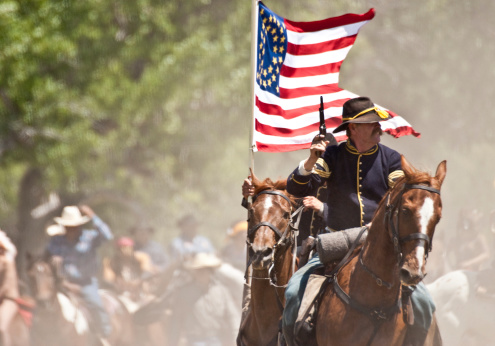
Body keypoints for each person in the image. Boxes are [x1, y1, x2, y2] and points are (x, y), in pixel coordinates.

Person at [281, 96, 432, 345]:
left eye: (377, 123)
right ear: (353, 128)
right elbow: (297, 189)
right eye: (371, 124)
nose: (378, 128)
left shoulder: (392, 159)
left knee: (425, 304)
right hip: (335, 245)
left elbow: (401, 195)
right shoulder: (332, 156)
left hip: (382, 247)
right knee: (294, 294)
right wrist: (310, 160)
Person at [46, 205, 113, 342]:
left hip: (85, 283)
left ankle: (105, 335)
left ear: (79, 226)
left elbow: (107, 235)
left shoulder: (89, 237)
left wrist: (93, 216)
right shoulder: (56, 241)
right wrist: (53, 261)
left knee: (95, 304)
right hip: (62, 283)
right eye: (68, 227)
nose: (71, 230)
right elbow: (46, 257)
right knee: (44, 304)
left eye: (74, 226)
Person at [165, 252, 239, 345]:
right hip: (195, 340)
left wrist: (236, 337)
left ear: (210, 271)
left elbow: (233, 316)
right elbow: (176, 320)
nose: (201, 273)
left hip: (217, 338)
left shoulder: (221, 291)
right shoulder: (184, 293)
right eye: (198, 270)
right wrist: (172, 342)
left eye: (204, 270)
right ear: (194, 272)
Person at [102, 236, 154, 301]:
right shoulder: (111, 262)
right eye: (121, 249)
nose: (124, 251)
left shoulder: (141, 257)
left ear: (132, 248)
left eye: (127, 248)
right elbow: (108, 279)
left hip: (140, 289)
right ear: (117, 250)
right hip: (122, 292)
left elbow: (147, 272)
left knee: (146, 285)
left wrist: (138, 281)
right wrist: (117, 284)